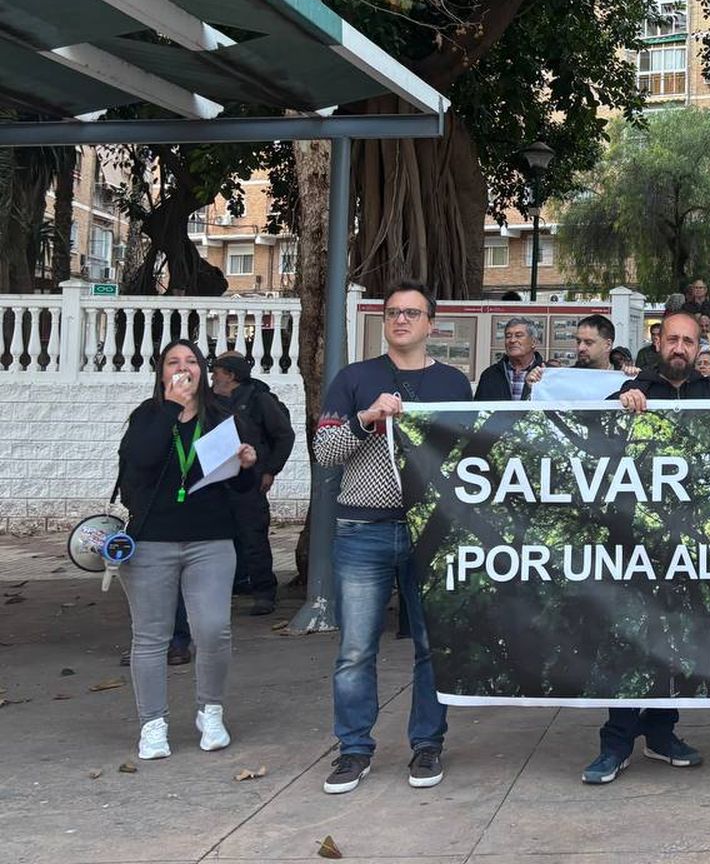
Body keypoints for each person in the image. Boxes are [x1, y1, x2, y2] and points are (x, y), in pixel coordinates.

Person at [315, 280, 472, 795]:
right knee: (357, 647)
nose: (400, 320)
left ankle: (428, 744)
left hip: (431, 531)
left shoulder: (454, 383)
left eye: (411, 313)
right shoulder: (355, 379)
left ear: (432, 322)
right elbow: (326, 452)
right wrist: (365, 418)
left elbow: (471, 454)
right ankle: (354, 749)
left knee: (432, 645)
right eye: (392, 313)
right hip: (364, 528)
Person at [585, 311, 710, 785]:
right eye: (673, 339)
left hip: (690, 546)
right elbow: (593, 447)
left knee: (676, 640)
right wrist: (618, 410)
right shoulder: (633, 391)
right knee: (628, 639)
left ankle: (662, 733)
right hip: (635, 544)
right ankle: (616, 742)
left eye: (689, 341)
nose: (680, 348)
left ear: (698, 347)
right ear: (658, 342)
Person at [117, 339, 261, 761]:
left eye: (192, 361)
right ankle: (153, 723)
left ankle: (210, 711)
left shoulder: (222, 417)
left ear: (204, 371)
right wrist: (168, 410)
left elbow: (238, 486)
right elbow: (138, 464)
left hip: (211, 539)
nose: (184, 368)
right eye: (173, 362)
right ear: (161, 373)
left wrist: (247, 464)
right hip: (150, 542)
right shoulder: (147, 416)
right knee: (150, 638)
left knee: (214, 629)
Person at [209, 352, 295, 616]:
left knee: (253, 536)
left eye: (218, 371)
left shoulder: (259, 400)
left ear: (231, 376)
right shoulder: (209, 402)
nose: (213, 376)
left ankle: (264, 592)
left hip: (250, 481)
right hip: (215, 482)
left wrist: (270, 471)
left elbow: (283, 435)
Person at [474, 316, 544, 401]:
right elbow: (479, 411)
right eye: (508, 336)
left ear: (533, 342)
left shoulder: (546, 373)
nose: (512, 340)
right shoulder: (490, 375)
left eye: (518, 336)